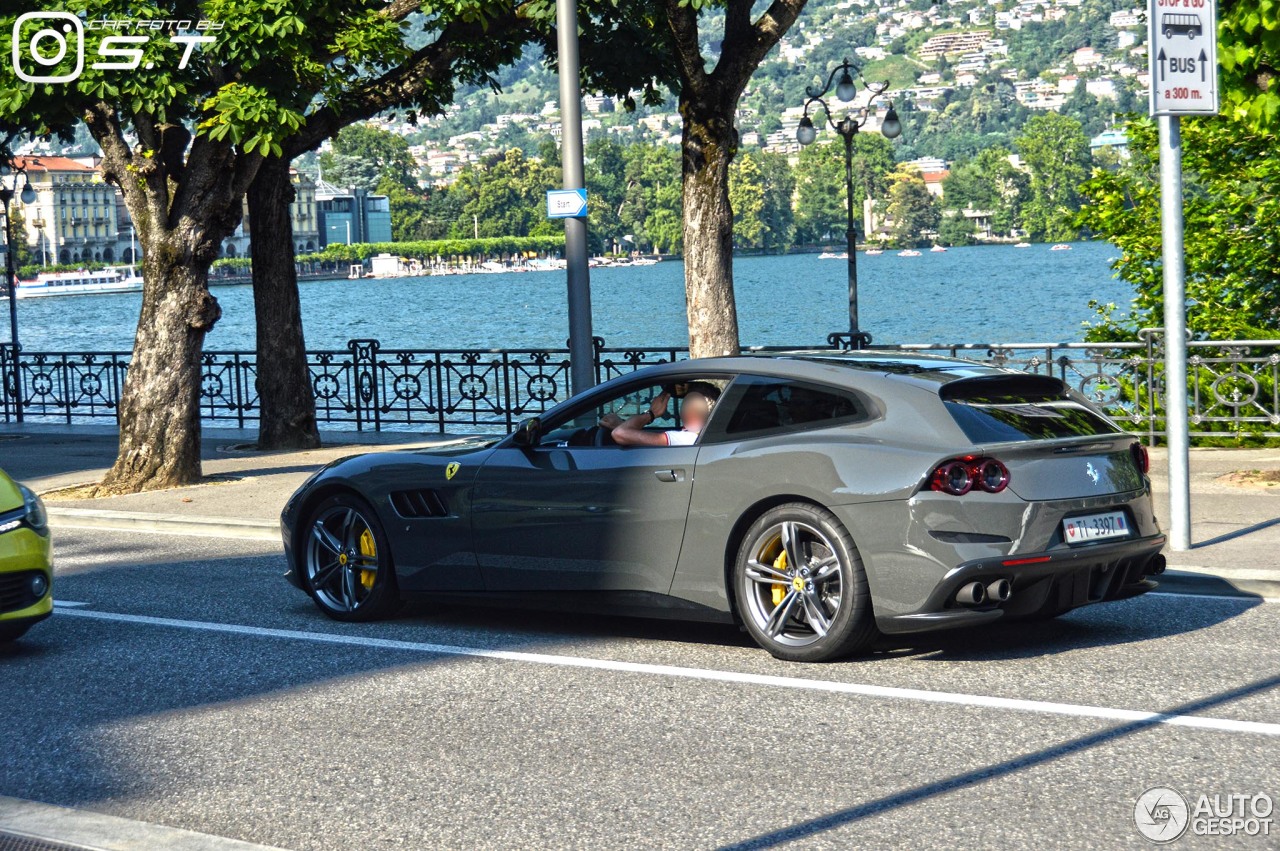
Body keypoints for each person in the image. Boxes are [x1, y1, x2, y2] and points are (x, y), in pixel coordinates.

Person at [612, 382, 720, 447]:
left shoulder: (685, 438)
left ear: (689, 414)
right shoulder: (708, 434)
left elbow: (620, 434)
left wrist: (651, 414)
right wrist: (619, 424)